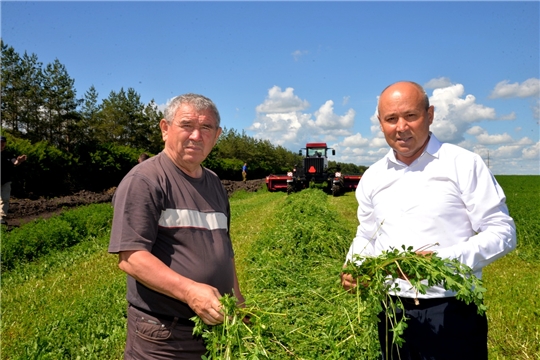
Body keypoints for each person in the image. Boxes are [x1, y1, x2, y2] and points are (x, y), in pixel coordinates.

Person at [340, 81, 516, 360]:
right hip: (392, 311)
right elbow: (367, 234)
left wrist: (443, 261)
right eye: (391, 119)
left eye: (411, 116)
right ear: (380, 122)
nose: (401, 127)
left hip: (452, 309)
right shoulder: (373, 177)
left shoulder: (463, 164)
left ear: (430, 115)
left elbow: (502, 231)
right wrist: (355, 264)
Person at [108, 93, 245, 360]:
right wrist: (189, 291)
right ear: (165, 128)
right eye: (187, 125)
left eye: (206, 128)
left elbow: (225, 250)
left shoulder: (215, 183)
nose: (196, 136)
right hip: (164, 336)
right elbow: (131, 258)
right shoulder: (145, 180)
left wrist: (239, 303)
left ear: (217, 136)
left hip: (214, 330)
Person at [1, 136, 27, 225]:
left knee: (5, 199)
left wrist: (19, 161)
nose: (1, 144)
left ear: (5, 144)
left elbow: (15, 162)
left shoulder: (8, 154)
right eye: (0, 142)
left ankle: (1, 219)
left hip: (5, 181)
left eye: (3, 142)